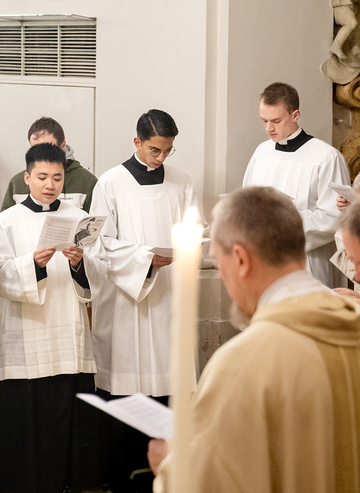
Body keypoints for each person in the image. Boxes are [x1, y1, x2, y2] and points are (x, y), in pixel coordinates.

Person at [148, 187, 360, 492]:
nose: (220, 276)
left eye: (218, 263)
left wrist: (172, 465)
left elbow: (205, 482)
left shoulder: (243, 363)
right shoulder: (352, 325)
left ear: (240, 259)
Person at [87, 109, 197, 492]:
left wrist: (188, 246)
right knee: (127, 399)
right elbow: (98, 244)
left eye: (168, 150)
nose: (161, 158)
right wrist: (144, 260)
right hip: (126, 306)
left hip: (169, 300)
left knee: (169, 391)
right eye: (155, 150)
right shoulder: (110, 183)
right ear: (137, 142)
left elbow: (193, 230)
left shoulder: (182, 180)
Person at [0, 143, 103, 493]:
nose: (50, 184)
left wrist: (79, 263)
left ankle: (69, 484)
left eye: (56, 177)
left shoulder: (77, 217)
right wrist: (32, 266)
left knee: (68, 417)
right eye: (42, 177)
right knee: (27, 422)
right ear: (26, 178)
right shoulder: (7, 220)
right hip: (26, 334)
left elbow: (99, 273)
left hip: (68, 332)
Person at [243, 82, 349, 289]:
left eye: (276, 121)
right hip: (264, 259)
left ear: (295, 115)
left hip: (307, 263)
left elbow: (336, 217)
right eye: (264, 120)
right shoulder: (261, 153)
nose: (269, 128)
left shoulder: (326, 157)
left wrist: (285, 221)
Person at [0, 117, 98, 212]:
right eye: (35, 148)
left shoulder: (87, 182)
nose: (42, 153)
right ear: (27, 178)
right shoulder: (17, 183)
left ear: (63, 146)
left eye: (57, 179)